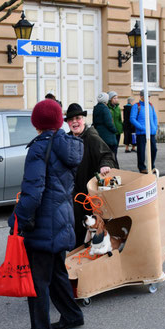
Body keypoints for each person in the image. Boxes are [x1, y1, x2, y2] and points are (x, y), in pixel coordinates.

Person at [9, 99, 84, 329]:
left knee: (37, 280)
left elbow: (34, 190)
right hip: (62, 217)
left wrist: (17, 218)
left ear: (37, 123)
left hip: (43, 222)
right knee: (57, 271)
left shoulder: (39, 147)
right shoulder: (68, 145)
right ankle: (72, 316)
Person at [65, 103, 118, 248]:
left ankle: (85, 252)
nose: (74, 122)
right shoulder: (67, 139)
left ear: (83, 119)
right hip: (72, 191)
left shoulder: (91, 137)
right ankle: (75, 253)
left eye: (77, 118)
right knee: (73, 224)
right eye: (71, 120)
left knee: (87, 225)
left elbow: (107, 154)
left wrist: (104, 164)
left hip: (88, 192)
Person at [130, 89, 158, 173]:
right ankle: (142, 167)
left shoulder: (151, 106)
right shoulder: (136, 106)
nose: (148, 98)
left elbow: (154, 117)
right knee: (141, 151)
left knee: (154, 149)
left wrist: (155, 127)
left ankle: (151, 165)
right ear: (141, 96)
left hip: (151, 132)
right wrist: (141, 127)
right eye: (146, 96)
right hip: (141, 133)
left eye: (149, 96)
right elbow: (132, 119)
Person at [93, 92, 118, 157]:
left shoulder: (96, 108)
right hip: (108, 137)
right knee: (112, 156)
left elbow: (94, 122)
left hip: (100, 134)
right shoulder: (105, 109)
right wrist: (115, 130)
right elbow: (109, 123)